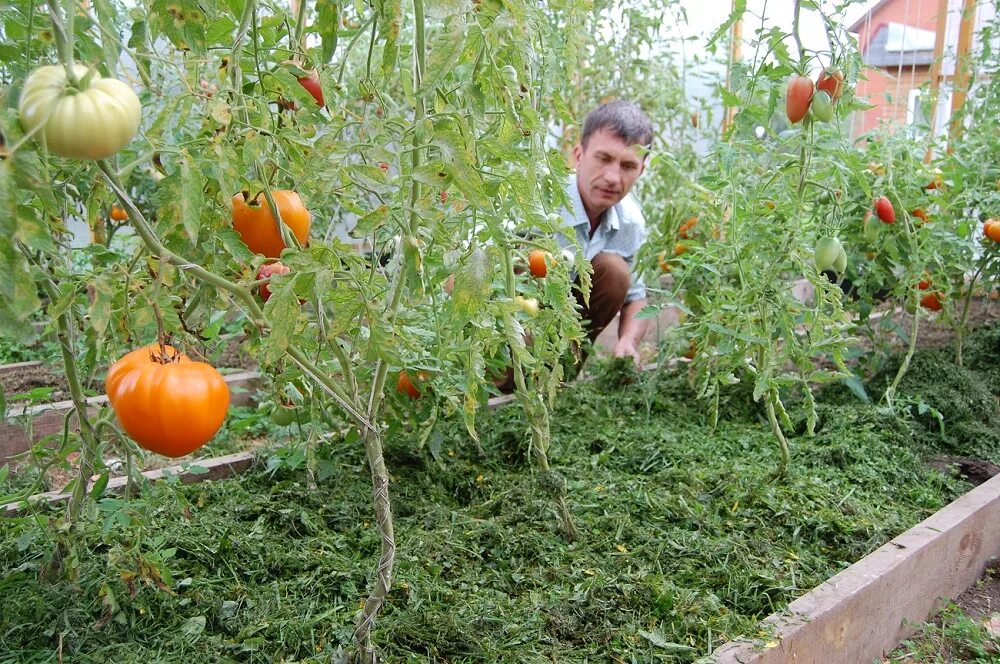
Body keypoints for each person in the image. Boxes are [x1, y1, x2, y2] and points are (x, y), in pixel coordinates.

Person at [556, 100, 653, 365]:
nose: (612, 177)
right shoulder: (540, 202)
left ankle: (566, 371)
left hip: (565, 335)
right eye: (604, 159)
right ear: (578, 156)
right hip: (509, 331)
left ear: (641, 170)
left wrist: (628, 342)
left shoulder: (630, 223)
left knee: (615, 271)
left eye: (628, 166)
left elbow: (636, 298)